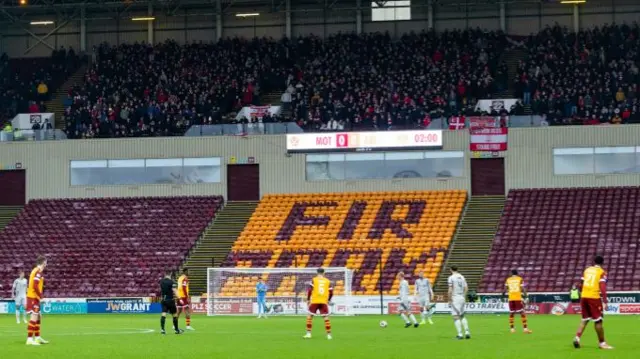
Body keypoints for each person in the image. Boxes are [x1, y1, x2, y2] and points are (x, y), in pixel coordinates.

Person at [573, 255, 613, 350]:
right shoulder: (602, 272)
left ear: (593, 262)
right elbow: (602, 287)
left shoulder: (587, 270)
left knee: (585, 319)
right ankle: (602, 343)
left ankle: (577, 338)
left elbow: (581, 285)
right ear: (602, 263)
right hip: (594, 297)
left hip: (584, 296)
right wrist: (605, 301)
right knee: (598, 321)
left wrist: (583, 293)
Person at [303, 268, 333, 340]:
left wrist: (308, 299)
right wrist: (328, 300)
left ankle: (308, 334)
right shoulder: (328, 281)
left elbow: (310, 290)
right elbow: (331, 293)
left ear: (317, 272)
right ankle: (329, 335)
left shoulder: (314, 279)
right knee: (326, 317)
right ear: (324, 273)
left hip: (315, 300)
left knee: (310, 316)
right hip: (323, 301)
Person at [26, 256, 48, 346]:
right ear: (43, 263)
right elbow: (35, 286)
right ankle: (29, 339)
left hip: (34, 297)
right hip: (33, 297)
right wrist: (41, 297)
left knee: (38, 317)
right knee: (34, 318)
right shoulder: (38, 272)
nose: (46, 264)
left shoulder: (36, 270)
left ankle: (38, 338)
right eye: (46, 262)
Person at [503, 270, 532, 334]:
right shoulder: (520, 279)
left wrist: (503, 295)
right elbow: (523, 288)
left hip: (511, 298)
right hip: (517, 298)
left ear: (511, 273)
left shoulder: (508, 279)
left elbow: (505, 289)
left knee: (512, 313)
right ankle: (525, 329)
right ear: (517, 273)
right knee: (522, 313)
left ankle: (512, 329)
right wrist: (526, 296)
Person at [448, 266, 471, 340]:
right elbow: (466, 288)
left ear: (451, 270)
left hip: (455, 298)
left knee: (455, 316)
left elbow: (450, 289)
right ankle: (467, 332)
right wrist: (463, 296)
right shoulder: (462, 277)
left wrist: (449, 298)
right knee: (462, 315)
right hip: (462, 297)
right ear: (457, 269)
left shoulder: (451, 277)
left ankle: (460, 334)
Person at [159, 270, 183, 335]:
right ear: (171, 274)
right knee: (174, 315)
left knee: (163, 314)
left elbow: (161, 290)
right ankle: (176, 330)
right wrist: (180, 298)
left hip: (163, 300)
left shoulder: (161, 281)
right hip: (170, 300)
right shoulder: (172, 282)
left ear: (165, 274)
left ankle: (162, 330)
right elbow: (175, 290)